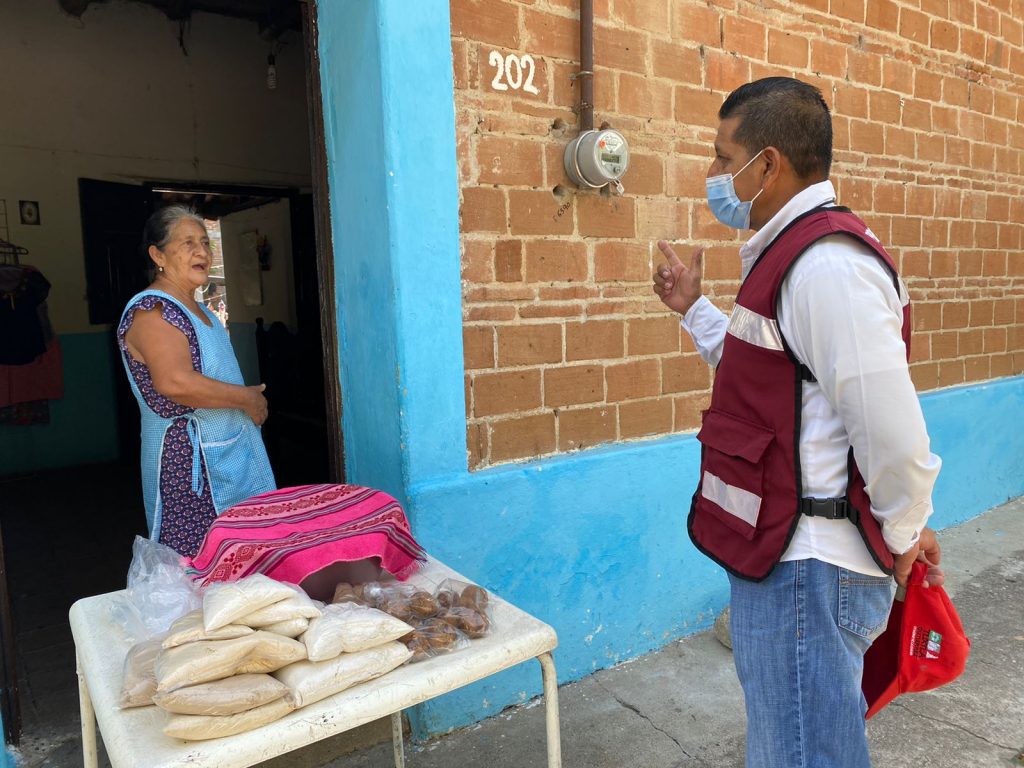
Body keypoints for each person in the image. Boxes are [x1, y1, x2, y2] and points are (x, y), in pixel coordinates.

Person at [653, 77, 944, 767]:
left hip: (809, 574)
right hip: (785, 563)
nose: (714, 176)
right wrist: (694, 309)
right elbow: (767, 377)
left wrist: (904, 531)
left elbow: (891, 427)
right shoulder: (789, 258)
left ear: (769, 164)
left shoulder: (827, 269)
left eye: (725, 159)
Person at [117, 206, 276, 558]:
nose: (202, 252)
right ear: (157, 254)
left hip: (223, 450)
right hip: (191, 462)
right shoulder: (152, 311)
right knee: (198, 565)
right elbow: (174, 382)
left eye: (204, 242)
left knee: (238, 557)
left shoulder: (197, 308)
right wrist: (246, 399)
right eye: (187, 243)